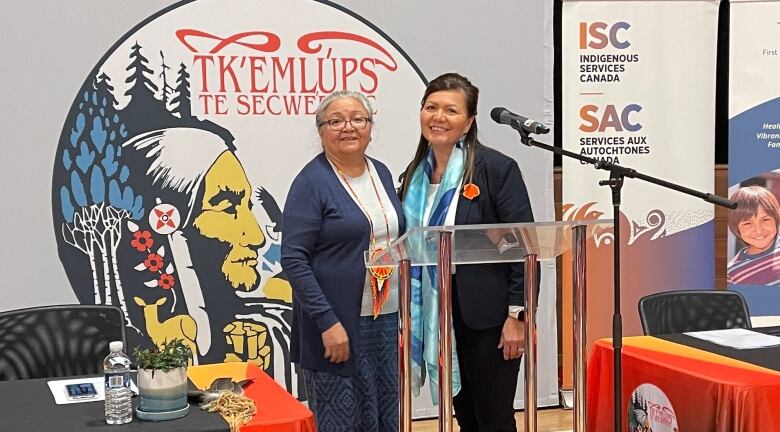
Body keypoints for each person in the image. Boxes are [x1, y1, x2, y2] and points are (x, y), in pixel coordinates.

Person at [400, 72, 535, 432]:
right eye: (431, 107)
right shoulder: (412, 175)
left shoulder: (494, 169)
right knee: (467, 418)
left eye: (451, 110)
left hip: (488, 317)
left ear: (469, 121)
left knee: (493, 418)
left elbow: (523, 245)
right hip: (437, 314)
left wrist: (517, 315)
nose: (438, 117)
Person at [281, 91, 404, 431]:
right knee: (342, 422)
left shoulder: (380, 171)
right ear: (321, 130)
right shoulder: (311, 182)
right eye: (336, 121)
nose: (348, 127)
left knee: (384, 418)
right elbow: (293, 259)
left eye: (358, 119)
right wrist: (328, 323)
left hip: (384, 317)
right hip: (336, 324)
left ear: (370, 126)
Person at [727, 185, 780, 285]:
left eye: (765, 220)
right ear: (736, 228)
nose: (758, 230)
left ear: (776, 219)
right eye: (747, 223)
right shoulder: (732, 274)